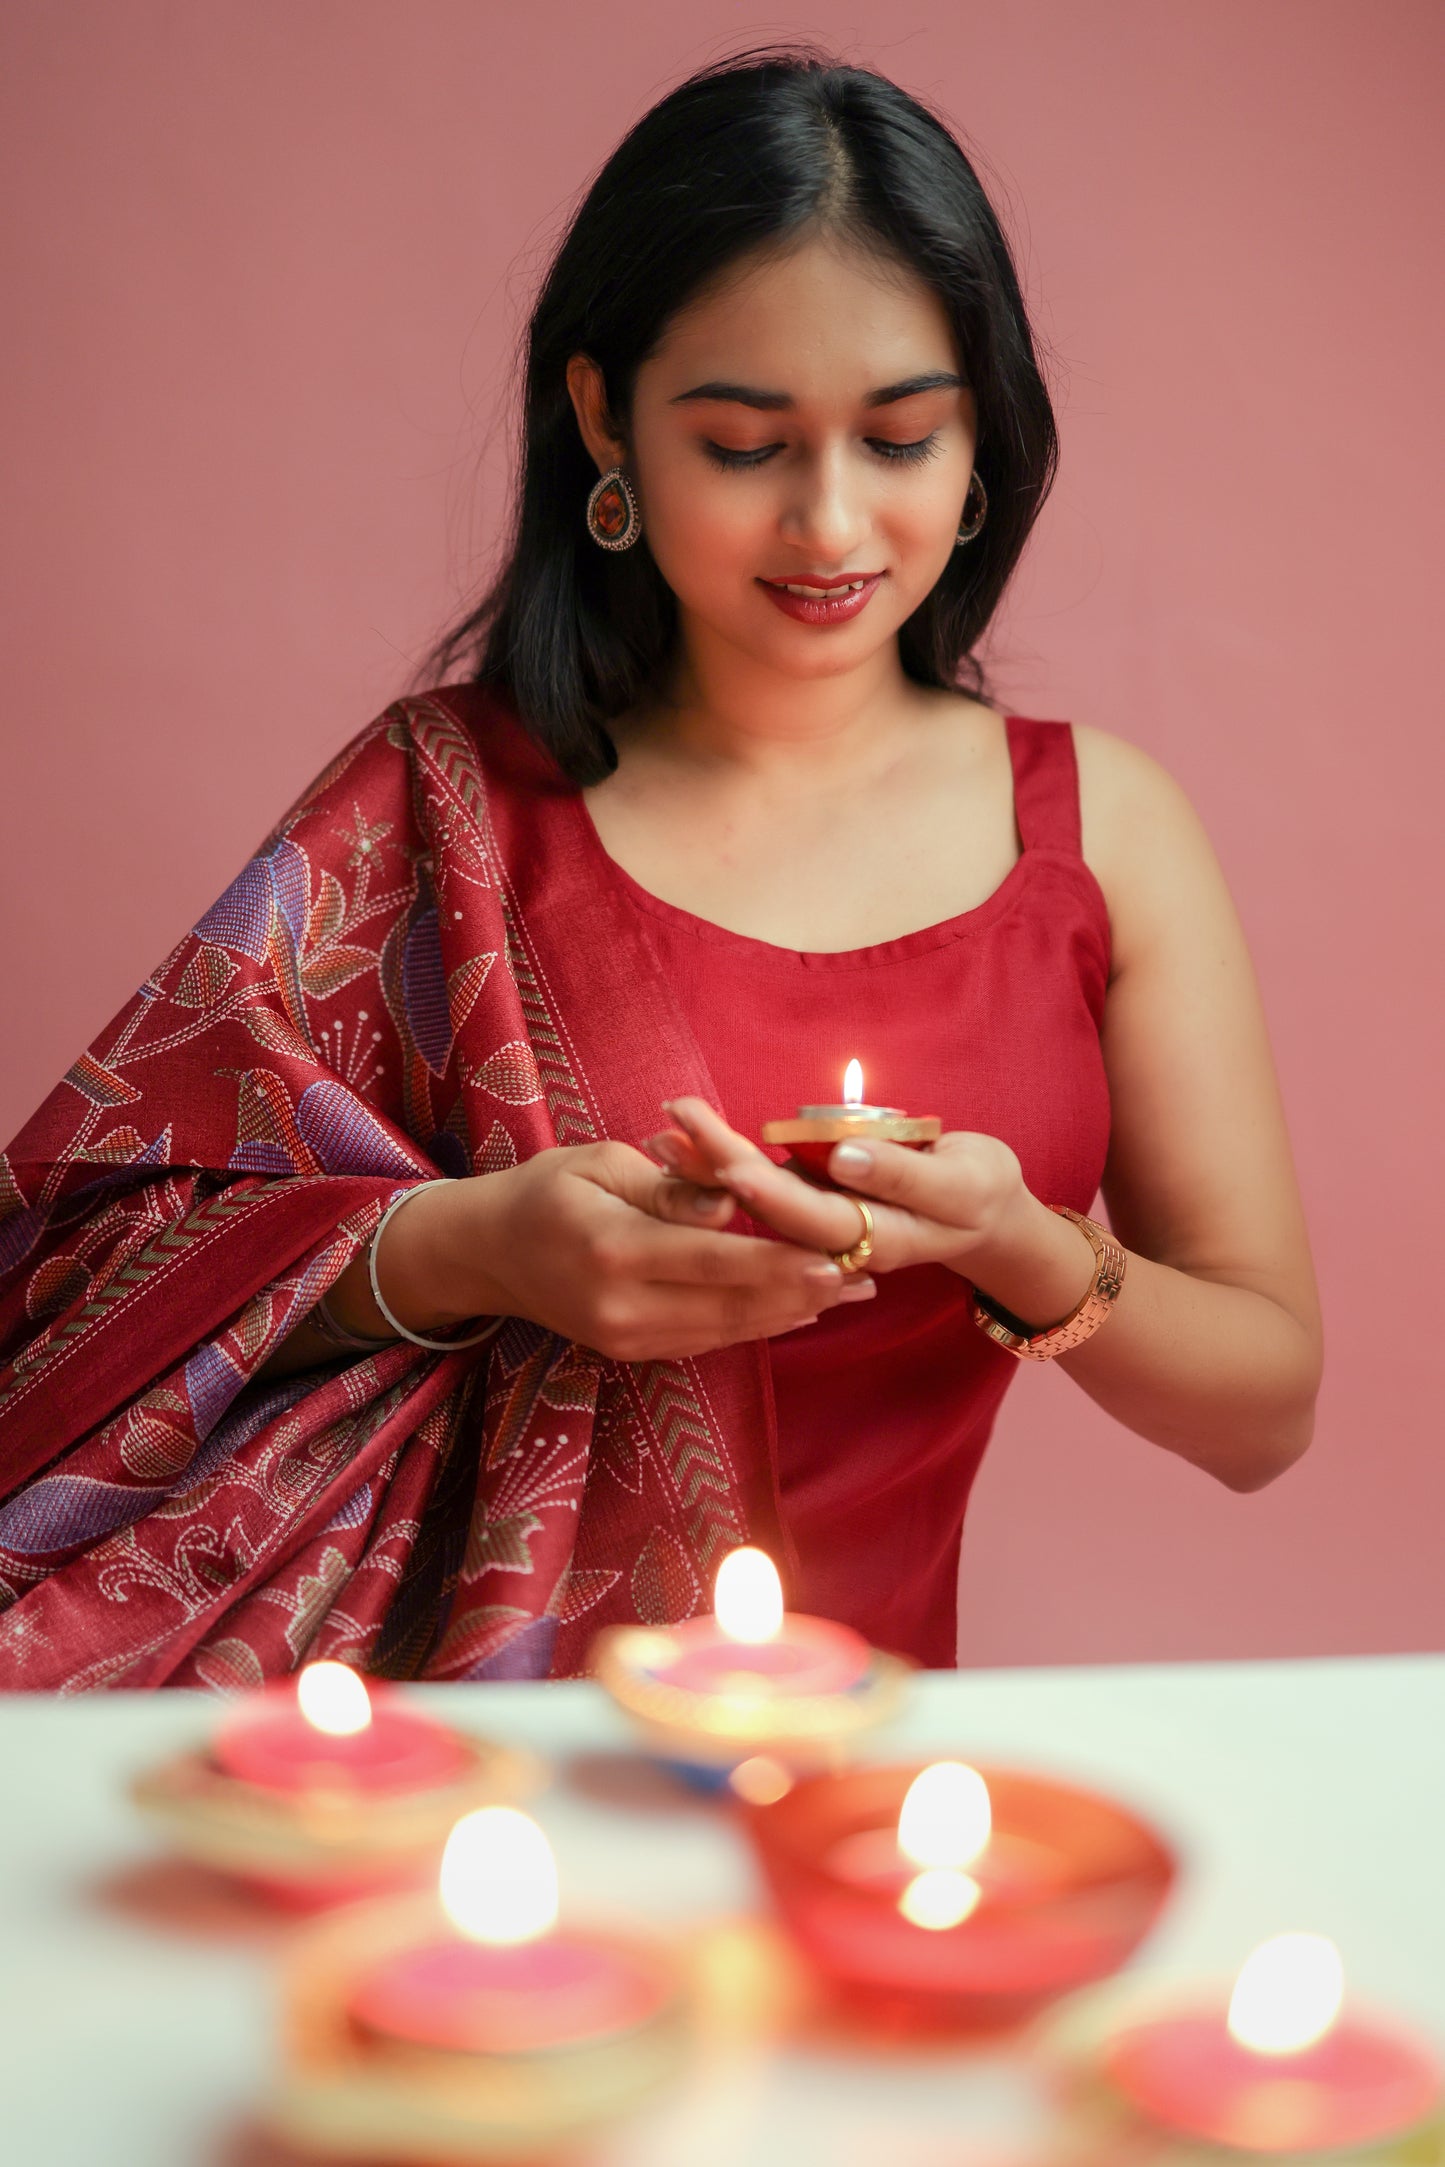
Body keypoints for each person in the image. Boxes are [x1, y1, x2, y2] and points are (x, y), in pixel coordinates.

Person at [0, 51, 1321, 1692]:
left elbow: (1265, 1409)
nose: (831, 524)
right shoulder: (447, 807)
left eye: (899, 438)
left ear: (980, 430)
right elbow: (65, 1271)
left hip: (866, 1769)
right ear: (602, 420)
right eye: (745, 445)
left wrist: (1021, 1245)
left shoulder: (1098, 831)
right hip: (462, 1773)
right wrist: (478, 1249)